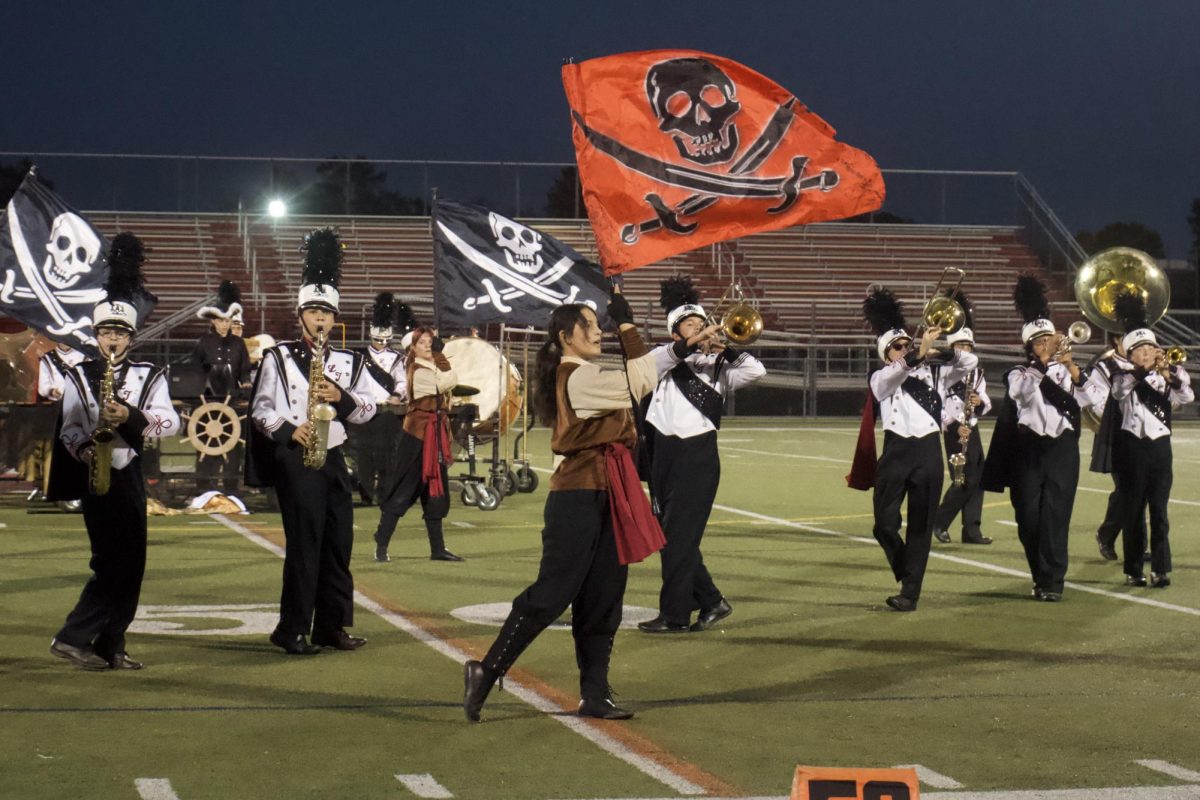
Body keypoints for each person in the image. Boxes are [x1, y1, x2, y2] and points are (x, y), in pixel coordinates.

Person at [463, 294, 673, 722]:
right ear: (566, 337)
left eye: (601, 324)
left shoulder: (587, 372)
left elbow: (643, 375)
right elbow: (640, 380)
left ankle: (595, 693)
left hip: (609, 491)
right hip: (577, 497)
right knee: (552, 594)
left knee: (604, 598)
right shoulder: (576, 377)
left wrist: (684, 345)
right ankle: (486, 670)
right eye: (591, 325)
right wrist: (630, 328)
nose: (599, 331)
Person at [244, 228, 384, 655]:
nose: (320, 319)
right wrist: (292, 431)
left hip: (334, 454)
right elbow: (261, 410)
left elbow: (370, 408)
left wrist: (341, 398)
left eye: (326, 312)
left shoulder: (349, 360)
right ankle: (291, 630)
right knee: (305, 546)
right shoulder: (279, 357)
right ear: (300, 313)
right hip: (297, 456)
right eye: (313, 311)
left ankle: (332, 626)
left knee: (339, 543)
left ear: (335, 316)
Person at [48, 233, 180, 670]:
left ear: (131, 337)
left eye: (120, 333)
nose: (112, 339)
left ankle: (111, 643)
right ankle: (72, 635)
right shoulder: (80, 374)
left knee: (134, 562)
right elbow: (68, 428)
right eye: (106, 331)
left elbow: (169, 423)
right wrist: (86, 450)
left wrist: (128, 415)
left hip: (128, 471)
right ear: (96, 333)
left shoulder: (148, 374)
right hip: (95, 472)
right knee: (111, 561)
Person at [638, 276, 761, 634]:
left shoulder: (719, 369)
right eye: (690, 325)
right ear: (675, 332)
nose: (700, 330)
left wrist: (726, 350)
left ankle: (674, 616)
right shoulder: (662, 359)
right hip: (663, 457)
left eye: (702, 324)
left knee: (677, 540)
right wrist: (687, 347)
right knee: (669, 538)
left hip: (697, 458)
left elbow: (757, 371)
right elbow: (651, 363)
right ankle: (711, 601)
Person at [855, 287, 977, 612]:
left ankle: (910, 593)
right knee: (884, 524)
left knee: (921, 526)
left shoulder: (935, 373)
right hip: (896, 453)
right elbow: (886, 383)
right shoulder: (882, 375)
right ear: (886, 353)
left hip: (928, 453)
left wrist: (938, 352)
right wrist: (915, 355)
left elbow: (970, 360)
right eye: (898, 346)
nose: (905, 348)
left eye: (907, 343)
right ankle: (906, 568)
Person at [982, 275, 1096, 602]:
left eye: (1051, 339)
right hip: (1027, 450)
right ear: (1030, 346)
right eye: (1041, 341)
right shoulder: (1019, 373)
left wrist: (1073, 368)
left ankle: (1053, 583)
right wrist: (1042, 362)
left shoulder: (1071, 372)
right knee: (1028, 518)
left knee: (1056, 517)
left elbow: (1094, 403)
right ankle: (1039, 574)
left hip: (1062, 450)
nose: (1049, 343)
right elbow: (1020, 393)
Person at [1109, 293, 1193, 588]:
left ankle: (1161, 568)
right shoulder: (1122, 374)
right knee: (1133, 511)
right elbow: (1119, 393)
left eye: (1151, 347)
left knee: (1159, 511)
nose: (1148, 352)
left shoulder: (1169, 372)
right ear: (1130, 353)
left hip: (1160, 449)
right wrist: (1143, 370)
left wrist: (1168, 374)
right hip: (1132, 448)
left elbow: (1187, 396)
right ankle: (1134, 569)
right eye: (1141, 349)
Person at [371, 323, 464, 563]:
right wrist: (443, 358)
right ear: (412, 347)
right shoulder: (417, 369)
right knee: (403, 490)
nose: (427, 346)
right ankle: (381, 543)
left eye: (429, 342)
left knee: (436, 493)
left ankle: (438, 549)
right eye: (421, 342)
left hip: (434, 436)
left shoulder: (431, 365)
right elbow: (447, 382)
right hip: (418, 439)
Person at [931, 298, 993, 546]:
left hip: (973, 428)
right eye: (960, 346)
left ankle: (972, 530)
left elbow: (986, 400)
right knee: (963, 479)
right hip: (954, 429)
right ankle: (938, 521)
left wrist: (978, 402)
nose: (965, 350)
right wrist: (954, 424)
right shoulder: (941, 372)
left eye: (968, 346)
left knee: (979, 479)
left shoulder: (977, 372)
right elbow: (936, 403)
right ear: (952, 347)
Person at [191, 280, 251, 494]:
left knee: (234, 445)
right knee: (205, 444)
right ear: (213, 321)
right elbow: (194, 369)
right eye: (220, 321)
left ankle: (231, 487)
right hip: (207, 402)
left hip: (232, 401)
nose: (224, 325)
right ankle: (204, 487)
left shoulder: (239, 343)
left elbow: (244, 369)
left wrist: (246, 382)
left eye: (227, 320)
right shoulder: (203, 342)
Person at [353, 292, 408, 506]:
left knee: (386, 454)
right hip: (364, 409)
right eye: (378, 339)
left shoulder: (396, 358)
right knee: (364, 454)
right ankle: (366, 493)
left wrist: (396, 395)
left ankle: (386, 493)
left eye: (384, 340)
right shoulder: (358, 357)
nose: (381, 343)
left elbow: (402, 383)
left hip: (386, 411)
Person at [1084, 333, 1129, 561]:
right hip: (1116, 434)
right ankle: (1107, 534)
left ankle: (1136, 545)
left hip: (1144, 436)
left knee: (1142, 490)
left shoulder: (1146, 361)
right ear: (1116, 341)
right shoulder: (1104, 367)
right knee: (1127, 488)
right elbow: (1096, 403)